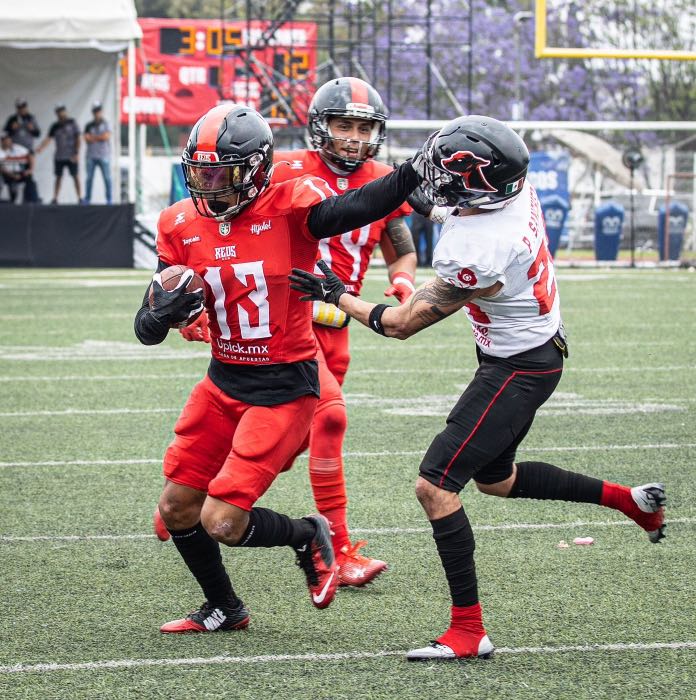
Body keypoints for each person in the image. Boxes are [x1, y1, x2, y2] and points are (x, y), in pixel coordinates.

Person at [289, 115, 666, 661]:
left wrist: (335, 292)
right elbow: (448, 202)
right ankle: (632, 502)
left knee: (434, 487)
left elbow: (399, 323)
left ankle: (468, 632)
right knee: (497, 480)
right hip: (531, 349)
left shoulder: (479, 244)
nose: (437, 179)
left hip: (518, 367)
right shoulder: (512, 192)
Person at [134, 103, 422, 633]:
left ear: (258, 169)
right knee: (177, 507)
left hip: (285, 385)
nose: (211, 185)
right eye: (200, 172)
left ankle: (308, 535)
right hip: (221, 381)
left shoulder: (292, 206)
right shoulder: (178, 221)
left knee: (221, 520)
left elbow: (357, 206)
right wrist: (160, 315)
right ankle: (225, 607)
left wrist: (414, 170)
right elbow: (147, 323)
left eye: (223, 173)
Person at [36, 104, 81, 204]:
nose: (61, 113)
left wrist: (77, 152)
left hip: (71, 155)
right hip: (59, 156)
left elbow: (78, 138)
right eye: (58, 111)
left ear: (65, 111)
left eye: (62, 110)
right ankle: (55, 198)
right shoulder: (55, 126)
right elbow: (48, 138)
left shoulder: (72, 123)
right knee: (58, 177)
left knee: (75, 176)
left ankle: (80, 197)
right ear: (56, 113)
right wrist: (41, 147)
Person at [83, 102, 113, 204]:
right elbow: (86, 139)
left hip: (104, 155)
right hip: (91, 156)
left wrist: (94, 137)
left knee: (107, 178)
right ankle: (87, 198)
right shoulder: (89, 125)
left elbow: (106, 136)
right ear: (93, 112)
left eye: (98, 111)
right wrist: (100, 137)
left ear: (101, 112)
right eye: (95, 111)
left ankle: (109, 199)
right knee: (89, 178)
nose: (97, 113)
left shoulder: (106, 124)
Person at [0, 131, 39, 203]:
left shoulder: (17, 148)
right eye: (6, 139)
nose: (9, 141)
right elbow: (1, 169)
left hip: (20, 173)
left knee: (30, 180)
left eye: (9, 139)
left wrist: (30, 170)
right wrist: (12, 175)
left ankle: (34, 201)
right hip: (6, 174)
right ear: (2, 141)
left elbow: (30, 155)